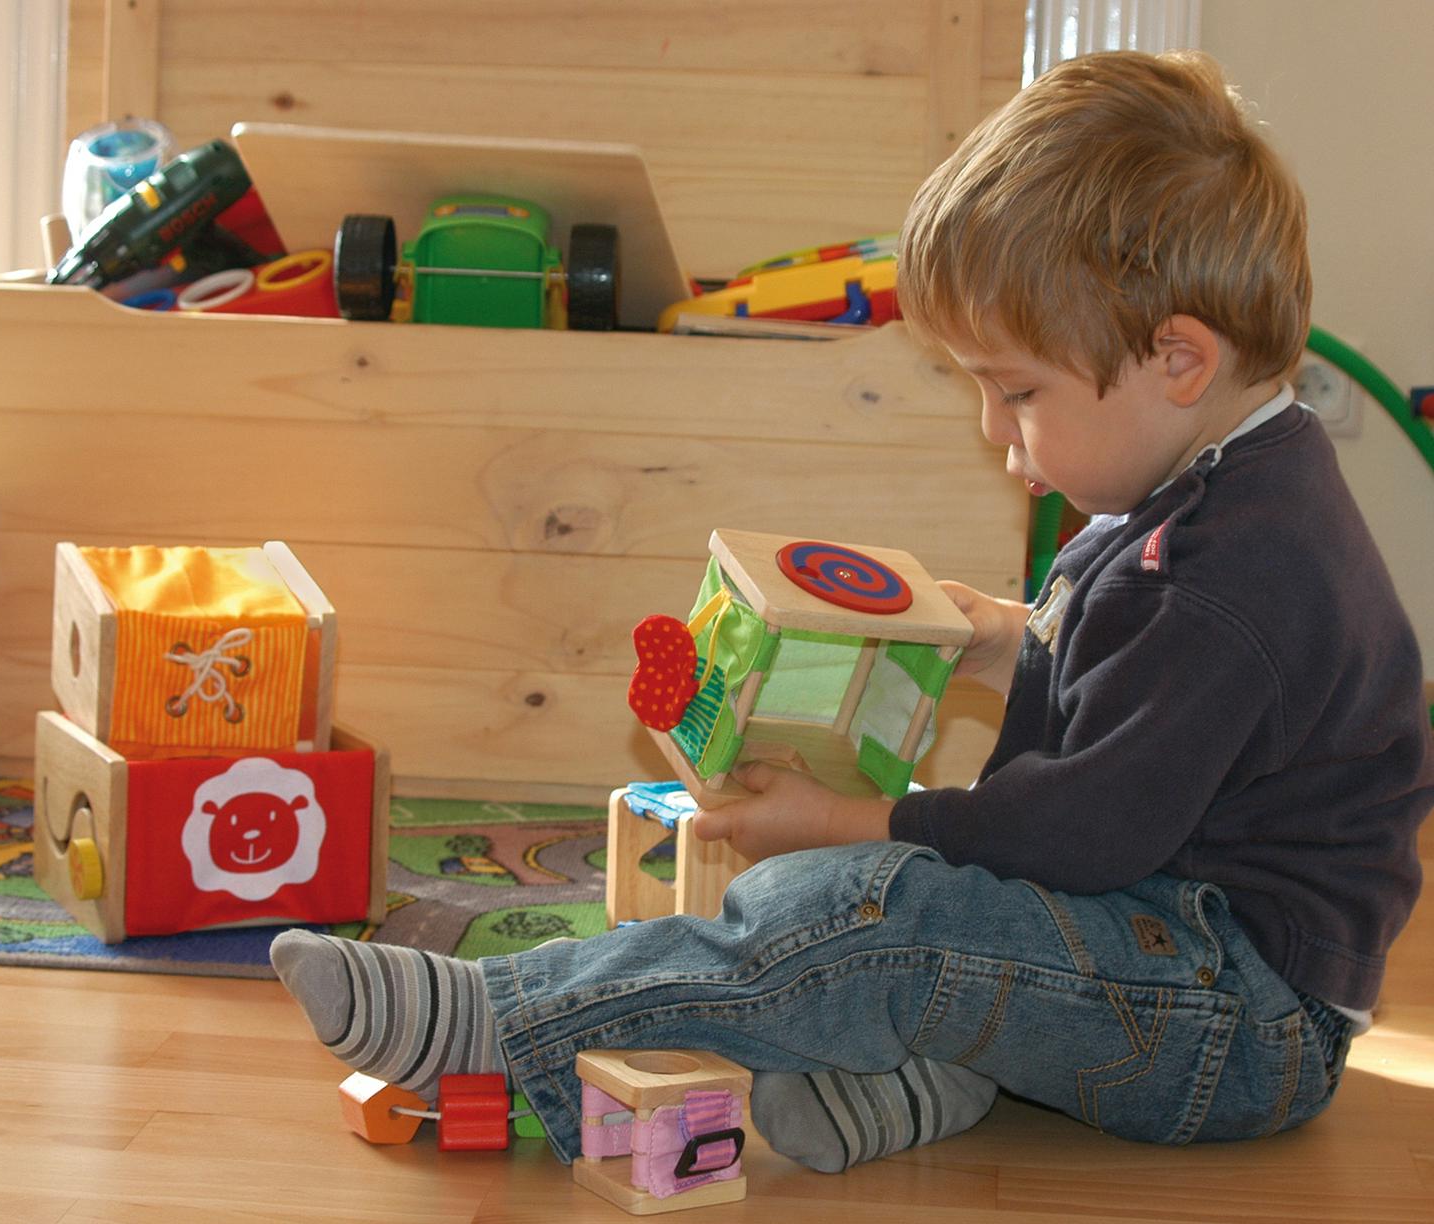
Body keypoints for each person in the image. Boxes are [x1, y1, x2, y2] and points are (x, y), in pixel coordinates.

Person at [271, 49, 1433, 1172]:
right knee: (837, 903)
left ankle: (499, 1019)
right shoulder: (1224, 481)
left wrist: (851, 820)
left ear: (1179, 359)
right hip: (1169, 951)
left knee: (869, 911)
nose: (995, 430)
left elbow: (1084, 830)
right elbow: (1141, 690)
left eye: (1017, 391)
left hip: (1236, 1025)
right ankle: (918, 1080)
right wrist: (1005, 634)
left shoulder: (1226, 575)